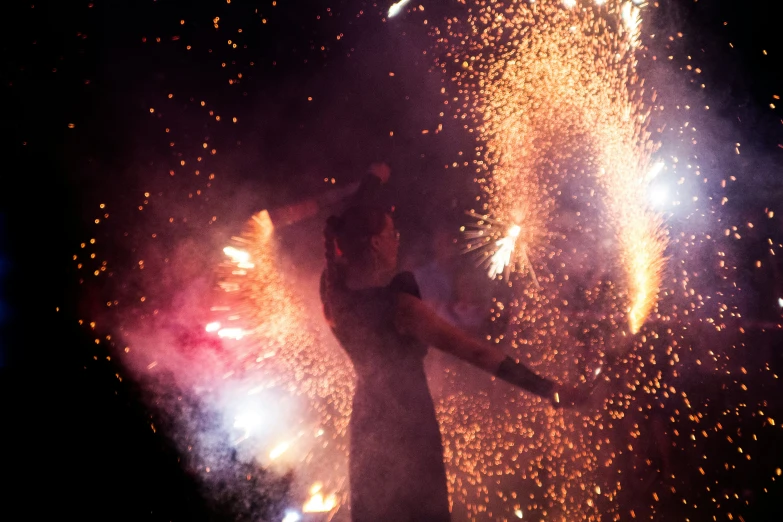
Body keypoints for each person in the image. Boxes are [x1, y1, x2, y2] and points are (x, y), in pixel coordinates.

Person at [319, 164, 589, 521]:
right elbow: (476, 352)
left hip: (368, 420)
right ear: (376, 242)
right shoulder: (401, 309)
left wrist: (371, 182)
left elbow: (345, 225)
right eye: (392, 233)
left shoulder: (333, 293)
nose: (398, 240)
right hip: (408, 426)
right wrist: (549, 389)